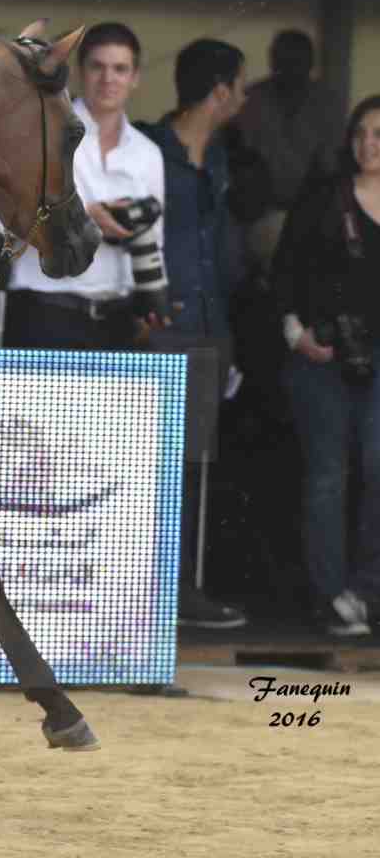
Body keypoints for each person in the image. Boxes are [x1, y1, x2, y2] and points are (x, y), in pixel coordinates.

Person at [137, 39, 252, 630]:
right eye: (239, 85)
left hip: (210, 328)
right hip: (160, 327)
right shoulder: (149, 150)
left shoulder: (223, 158)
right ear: (219, 92)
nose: (242, 96)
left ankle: (182, 592)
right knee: (146, 465)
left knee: (192, 468)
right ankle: (140, 590)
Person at [272, 95, 380, 636]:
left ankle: (366, 591)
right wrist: (299, 335)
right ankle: (331, 595)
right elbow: (284, 271)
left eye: (379, 134)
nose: (368, 145)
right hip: (323, 357)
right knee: (328, 475)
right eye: (361, 133)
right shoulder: (324, 199)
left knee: (379, 465)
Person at [0, 22, 169, 352]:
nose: (109, 79)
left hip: (116, 317)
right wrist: (80, 219)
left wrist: (151, 304)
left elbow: (155, 239)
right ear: (79, 72)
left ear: (135, 78)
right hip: (44, 310)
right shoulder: (41, 133)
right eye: (98, 67)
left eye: (120, 69)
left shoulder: (148, 153)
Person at [231, 29, 346, 270]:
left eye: (297, 61)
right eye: (283, 60)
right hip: (258, 217)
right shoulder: (251, 100)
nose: (290, 68)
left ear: (310, 63)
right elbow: (239, 160)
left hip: (311, 217)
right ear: (272, 61)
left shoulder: (327, 103)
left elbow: (333, 165)